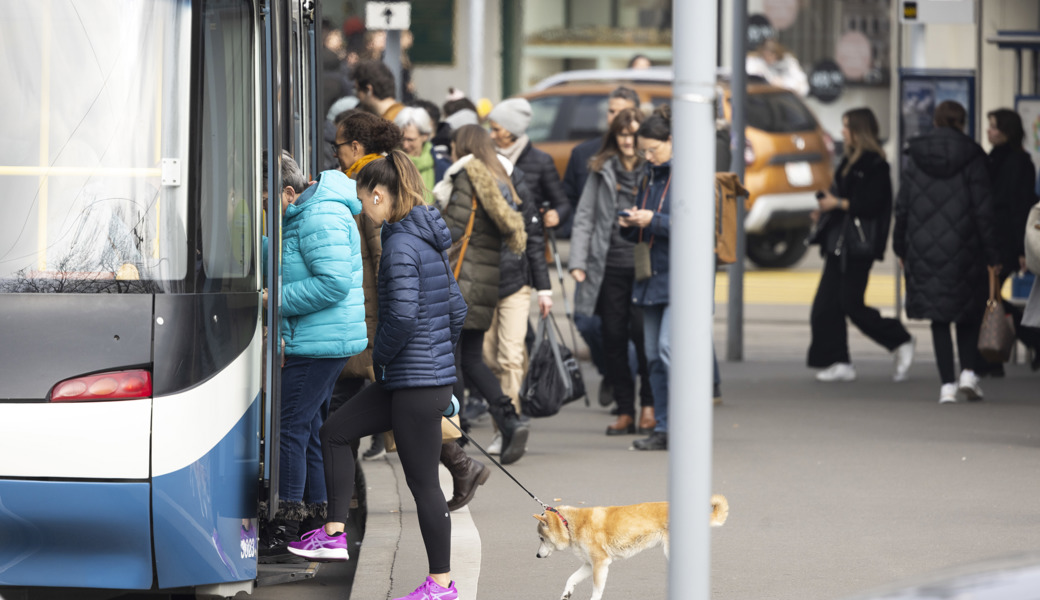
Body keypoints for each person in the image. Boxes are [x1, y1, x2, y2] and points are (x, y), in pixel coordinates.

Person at [289, 151, 466, 600]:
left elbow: (403, 318)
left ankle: (441, 585)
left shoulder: (402, 245)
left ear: (379, 194)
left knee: (423, 483)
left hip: (412, 381)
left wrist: (382, 358)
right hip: (414, 380)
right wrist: (438, 362)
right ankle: (333, 531)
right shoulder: (424, 237)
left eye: (363, 197)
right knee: (335, 431)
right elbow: (457, 310)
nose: (362, 207)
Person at [259, 152, 367, 562]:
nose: (267, 211)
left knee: (290, 427)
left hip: (317, 341)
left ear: (289, 192)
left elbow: (333, 283)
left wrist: (275, 301)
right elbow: (296, 260)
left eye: (268, 203)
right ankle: (315, 521)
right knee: (308, 427)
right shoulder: (308, 213)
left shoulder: (319, 216)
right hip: (320, 338)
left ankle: (285, 521)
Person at [435, 124, 530, 464]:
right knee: (473, 359)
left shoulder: (466, 178)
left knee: (455, 360)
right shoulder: (499, 181)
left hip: (462, 282)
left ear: (462, 147)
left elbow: (451, 231)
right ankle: (509, 419)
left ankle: (455, 434)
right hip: (486, 284)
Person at [894, 100, 1000, 403]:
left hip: (924, 247)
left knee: (938, 316)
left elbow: (903, 207)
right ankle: (968, 373)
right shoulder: (973, 156)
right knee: (966, 312)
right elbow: (984, 211)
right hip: (965, 246)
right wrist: (993, 254)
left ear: (936, 121)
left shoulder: (915, 157)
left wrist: (900, 245)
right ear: (962, 123)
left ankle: (946, 387)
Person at [807, 108, 915, 383]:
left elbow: (871, 205)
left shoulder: (875, 164)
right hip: (839, 243)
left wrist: (838, 204)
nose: (842, 131)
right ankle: (838, 360)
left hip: (858, 246)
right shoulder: (848, 162)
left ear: (858, 131)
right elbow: (842, 197)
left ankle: (900, 339)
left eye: (846, 127)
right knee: (825, 306)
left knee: (851, 305)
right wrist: (826, 210)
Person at [569, 107, 655, 436]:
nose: (629, 140)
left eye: (634, 134)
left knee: (644, 337)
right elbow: (585, 217)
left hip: (645, 265)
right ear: (614, 136)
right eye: (623, 134)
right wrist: (578, 262)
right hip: (608, 266)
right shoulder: (601, 168)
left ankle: (648, 406)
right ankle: (625, 410)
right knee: (613, 338)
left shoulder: (655, 168)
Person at [481, 147, 553, 454]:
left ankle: (509, 428)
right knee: (487, 360)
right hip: (481, 286)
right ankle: (504, 423)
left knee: (510, 357)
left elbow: (534, 238)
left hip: (516, 283)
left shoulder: (517, 183)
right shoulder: (471, 184)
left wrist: (544, 289)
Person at [620, 106, 673, 451]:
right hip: (650, 275)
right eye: (644, 151)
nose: (648, 157)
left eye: (653, 150)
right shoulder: (648, 175)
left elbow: (697, 226)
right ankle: (664, 427)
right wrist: (630, 224)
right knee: (652, 355)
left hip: (679, 279)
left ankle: (683, 425)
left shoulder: (688, 173)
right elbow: (649, 226)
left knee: (668, 350)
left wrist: (651, 219)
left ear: (672, 142)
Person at [977, 108, 1040, 375]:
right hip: (994, 237)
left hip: (1004, 240)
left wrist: (1020, 249)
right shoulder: (993, 158)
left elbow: (1019, 207)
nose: (989, 131)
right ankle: (995, 356)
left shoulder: (1018, 162)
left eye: (993, 127)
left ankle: (1000, 353)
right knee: (991, 297)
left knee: (988, 296)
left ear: (1006, 131)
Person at [487, 98, 571, 231]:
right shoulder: (487, 157)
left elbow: (562, 204)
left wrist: (556, 215)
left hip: (529, 238)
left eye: (496, 130)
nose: (491, 135)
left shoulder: (541, 161)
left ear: (511, 131)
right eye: (491, 129)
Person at [394, 106, 450, 203]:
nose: (405, 145)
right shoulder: (388, 163)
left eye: (410, 139)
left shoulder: (442, 167)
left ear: (425, 136)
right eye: (401, 138)